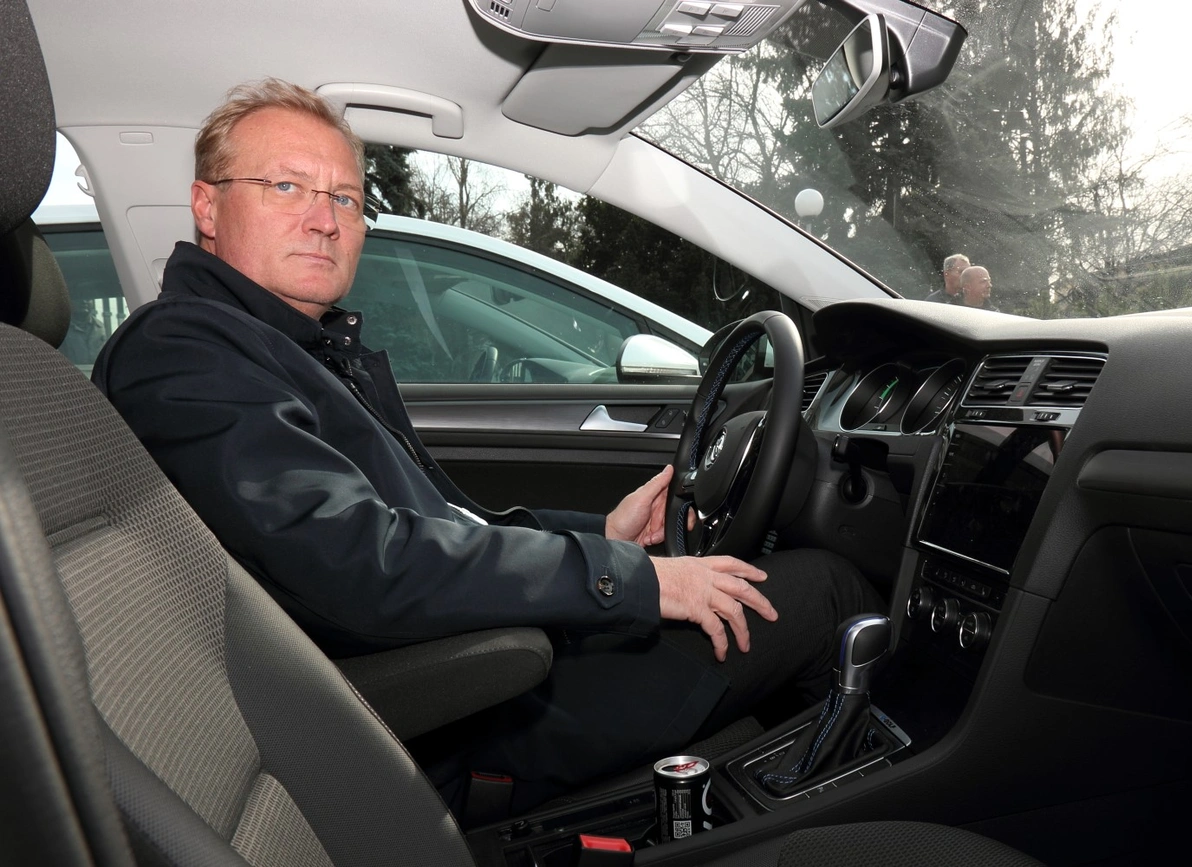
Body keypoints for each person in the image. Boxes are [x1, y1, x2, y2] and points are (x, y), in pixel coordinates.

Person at [92, 80, 879, 812]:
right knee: (827, 593)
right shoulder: (185, 353)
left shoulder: (295, 351)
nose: (325, 219)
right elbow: (356, 561)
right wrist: (627, 579)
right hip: (455, 708)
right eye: (287, 187)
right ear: (207, 205)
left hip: (478, 658)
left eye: (345, 198)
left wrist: (604, 537)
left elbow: (445, 524)